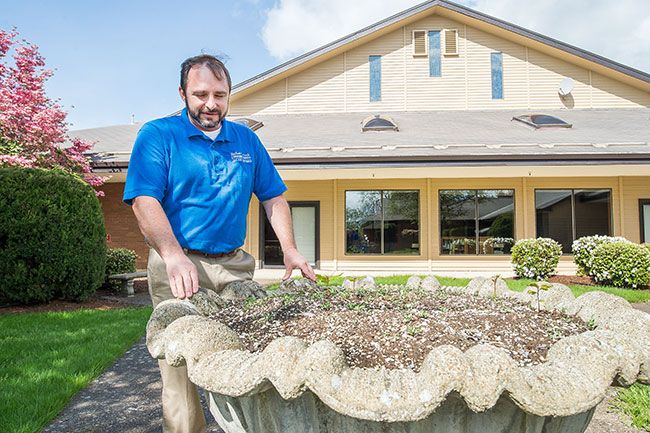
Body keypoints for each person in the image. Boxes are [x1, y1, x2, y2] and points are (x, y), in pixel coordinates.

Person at [123, 54, 315, 433]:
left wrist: (290, 250)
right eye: (200, 94)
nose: (210, 104)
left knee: (251, 354)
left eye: (220, 94)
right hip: (177, 266)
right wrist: (173, 255)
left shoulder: (246, 140)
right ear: (182, 94)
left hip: (234, 265)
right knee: (178, 368)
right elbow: (145, 200)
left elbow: (273, 197)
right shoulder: (158, 135)